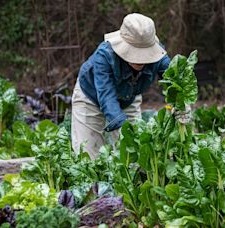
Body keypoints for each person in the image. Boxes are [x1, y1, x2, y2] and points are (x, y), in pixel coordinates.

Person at [71, 13, 170, 159]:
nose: (141, 59)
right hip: (91, 97)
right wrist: (123, 128)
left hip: (128, 97)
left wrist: (181, 104)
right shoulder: (104, 56)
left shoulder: (159, 57)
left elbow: (175, 79)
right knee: (88, 157)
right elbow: (106, 97)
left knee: (135, 157)